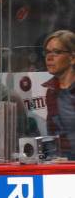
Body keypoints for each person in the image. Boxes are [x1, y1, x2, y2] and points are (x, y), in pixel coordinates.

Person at [42, 30, 75, 158]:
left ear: (72, 58)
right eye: (47, 52)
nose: (49, 57)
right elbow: (53, 136)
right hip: (59, 167)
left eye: (56, 52)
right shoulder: (51, 92)